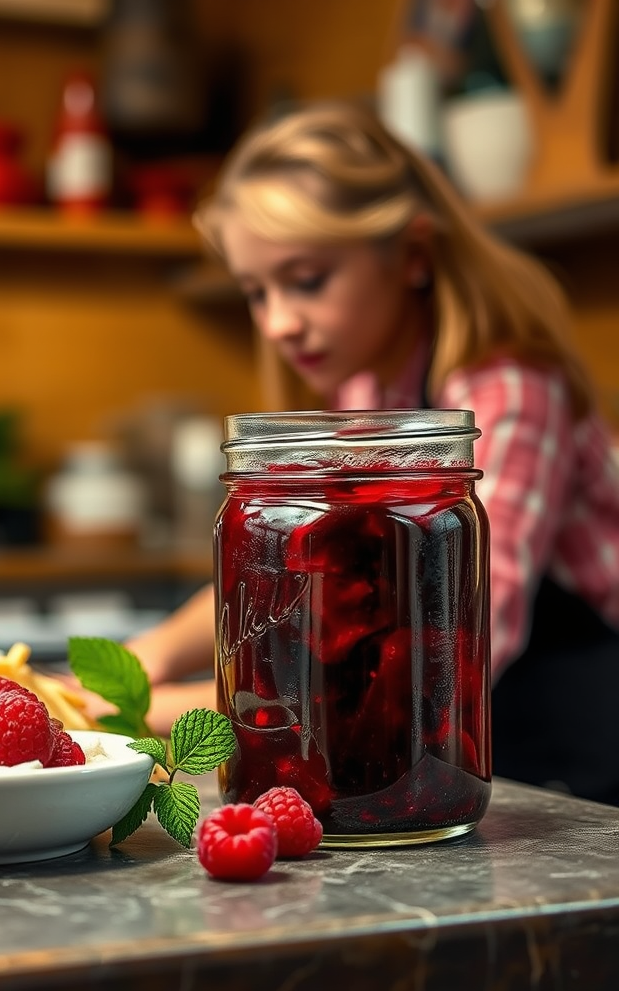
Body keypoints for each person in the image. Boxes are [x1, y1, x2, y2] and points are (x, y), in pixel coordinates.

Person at [125, 99, 619, 805]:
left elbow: (465, 628)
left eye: (306, 280)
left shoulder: (510, 388)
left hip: (580, 734)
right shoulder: (367, 397)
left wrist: (156, 709)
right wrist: (146, 658)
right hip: (460, 741)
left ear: (413, 253)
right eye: (256, 292)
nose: (278, 323)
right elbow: (280, 581)